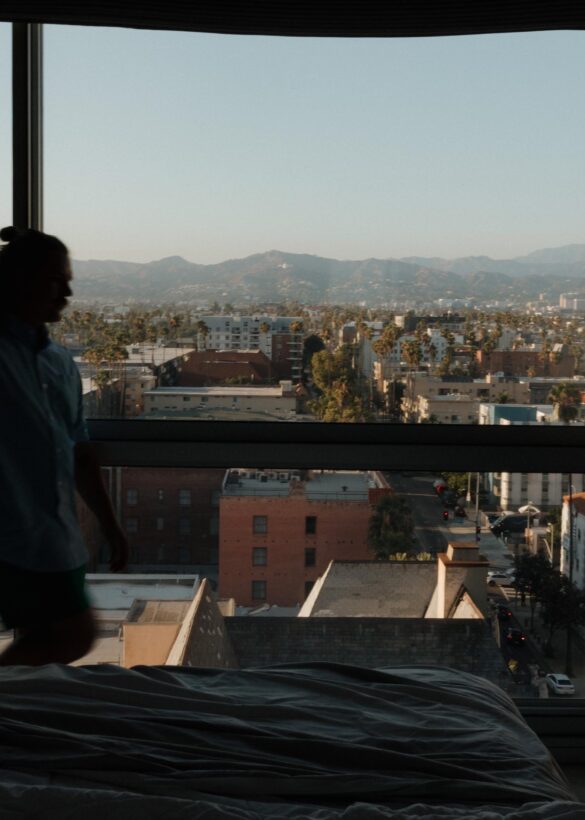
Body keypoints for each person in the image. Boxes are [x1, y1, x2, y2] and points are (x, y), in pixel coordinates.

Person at [0, 226, 129, 665]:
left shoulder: (60, 365)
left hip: (54, 538)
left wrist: (109, 526)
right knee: (72, 635)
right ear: (17, 278)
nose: (68, 290)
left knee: (56, 637)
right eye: (57, 279)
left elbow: (79, 453)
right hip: (13, 539)